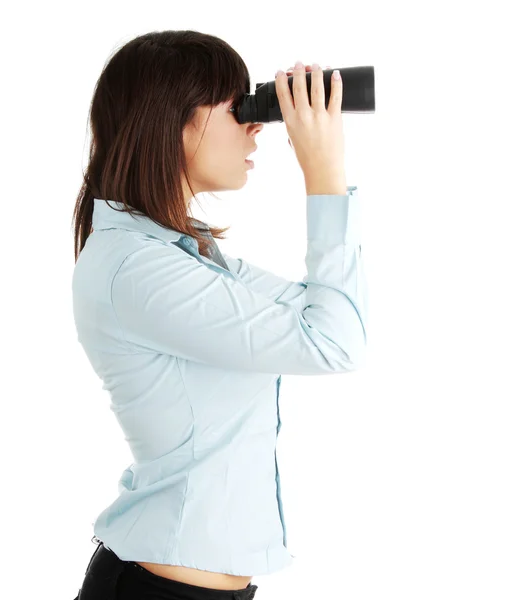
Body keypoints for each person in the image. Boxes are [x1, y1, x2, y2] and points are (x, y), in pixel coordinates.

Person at [71, 29, 368, 600]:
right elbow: (334, 342)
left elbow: (332, 319)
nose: (255, 124)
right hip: (157, 592)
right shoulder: (137, 270)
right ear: (171, 120)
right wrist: (323, 172)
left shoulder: (185, 254)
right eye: (238, 108)